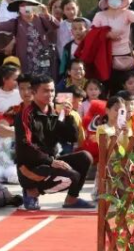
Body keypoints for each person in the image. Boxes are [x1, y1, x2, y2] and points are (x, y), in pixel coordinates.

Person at [15, 74, 94, 210]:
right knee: (73, 176)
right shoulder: (25, 114)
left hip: (50, 162)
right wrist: (51, 161)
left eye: (52, 90)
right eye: (45, 91)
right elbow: (25, 147)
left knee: (85, 157)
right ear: (34, 92)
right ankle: (31, 191)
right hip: (30, 167)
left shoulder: (55, 112)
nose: (50, 94)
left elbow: (72, 138)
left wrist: (68, 117)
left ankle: (71, 200)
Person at [90, 0, 134, 90]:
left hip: (126, 56)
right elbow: (92, 33)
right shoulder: (99, 16)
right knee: (111, 88)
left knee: (131, 88)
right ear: (106, 0)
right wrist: (107, 34)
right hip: (107, 58)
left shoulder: (127, 13)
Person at [0, 0, 59, 77]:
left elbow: (56, 25)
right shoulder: (15, 22)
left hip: (43, 62)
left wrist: (47, 14)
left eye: (29, 5)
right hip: (26, 64)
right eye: (22, 5)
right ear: (18, 8)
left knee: (43, 84)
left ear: (34, 6)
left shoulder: (41, 19)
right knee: (27, 85)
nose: (26, 7)